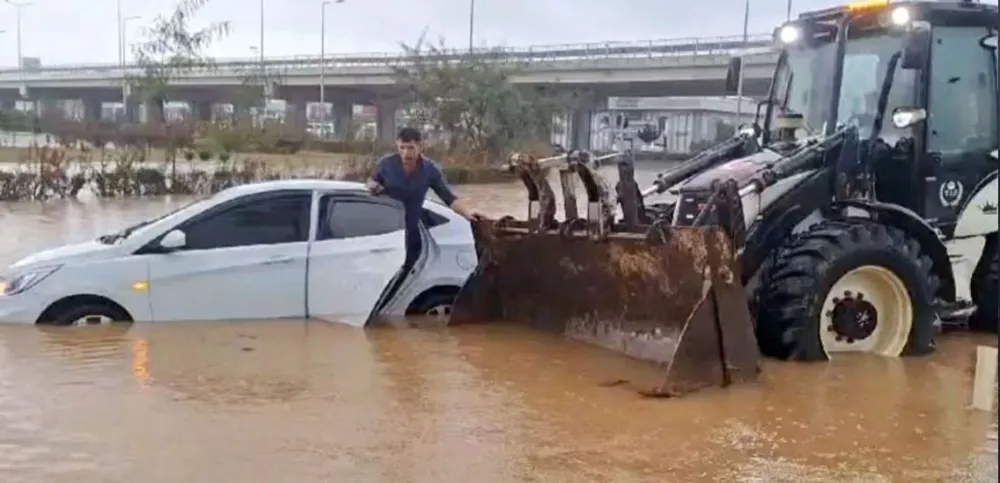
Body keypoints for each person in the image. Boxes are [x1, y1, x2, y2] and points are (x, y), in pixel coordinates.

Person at [367, 127, 483, 267]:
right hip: (386, 233)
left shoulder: (430, 170)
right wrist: (373, 186)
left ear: (420, 146)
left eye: (411, 148)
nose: (406, 153)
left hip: (412, 234)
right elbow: (371, 182)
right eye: (402, 148)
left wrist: (468, 213)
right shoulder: (386, 164)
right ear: (397, 145)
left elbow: (449, 198)